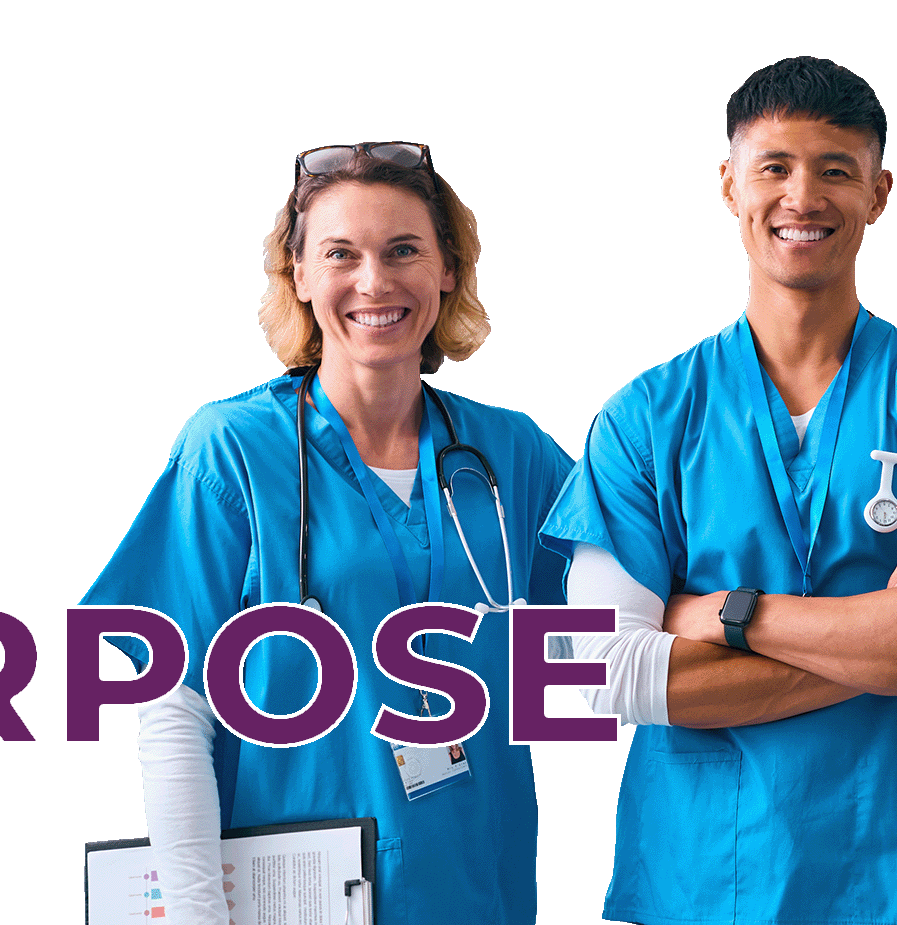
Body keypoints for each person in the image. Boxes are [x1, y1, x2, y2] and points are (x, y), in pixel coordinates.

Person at [541, 56, 897, 925]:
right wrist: (886, 637)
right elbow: (598, 673)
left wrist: (724, 612)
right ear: (728, 184)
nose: (801, 196)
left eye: (834, 170)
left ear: (879, 192)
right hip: (707, 878)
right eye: (774, 167)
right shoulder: (646, 418)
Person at [83, 143, 574, 925]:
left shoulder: (509, 454)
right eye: (341, 253)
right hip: (291, 900)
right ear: (300, 276)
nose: (374, 281)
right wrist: (199, 915)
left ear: (447, 269)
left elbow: (635, 607)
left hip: (477, 892)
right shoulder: (233, 449)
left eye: (403, 250)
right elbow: (173, 703)